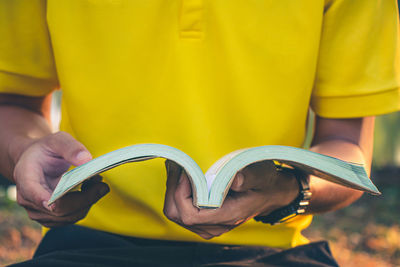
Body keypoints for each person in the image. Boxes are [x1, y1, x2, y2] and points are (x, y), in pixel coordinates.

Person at [0, 0, 399, 266]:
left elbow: (350, 154)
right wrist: (27, 152)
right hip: (84, 244)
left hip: (267, 252)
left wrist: (286, 189)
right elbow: (13, 105)